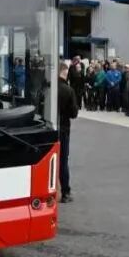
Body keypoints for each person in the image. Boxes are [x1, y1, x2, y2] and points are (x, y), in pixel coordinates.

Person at [57, 62, 79, 203]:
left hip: (49, 127)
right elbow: (74, 113)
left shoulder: (49, 88)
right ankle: (65, 192)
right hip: (64, 128)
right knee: (63, 161)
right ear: (65, 72)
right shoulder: (68, 90)